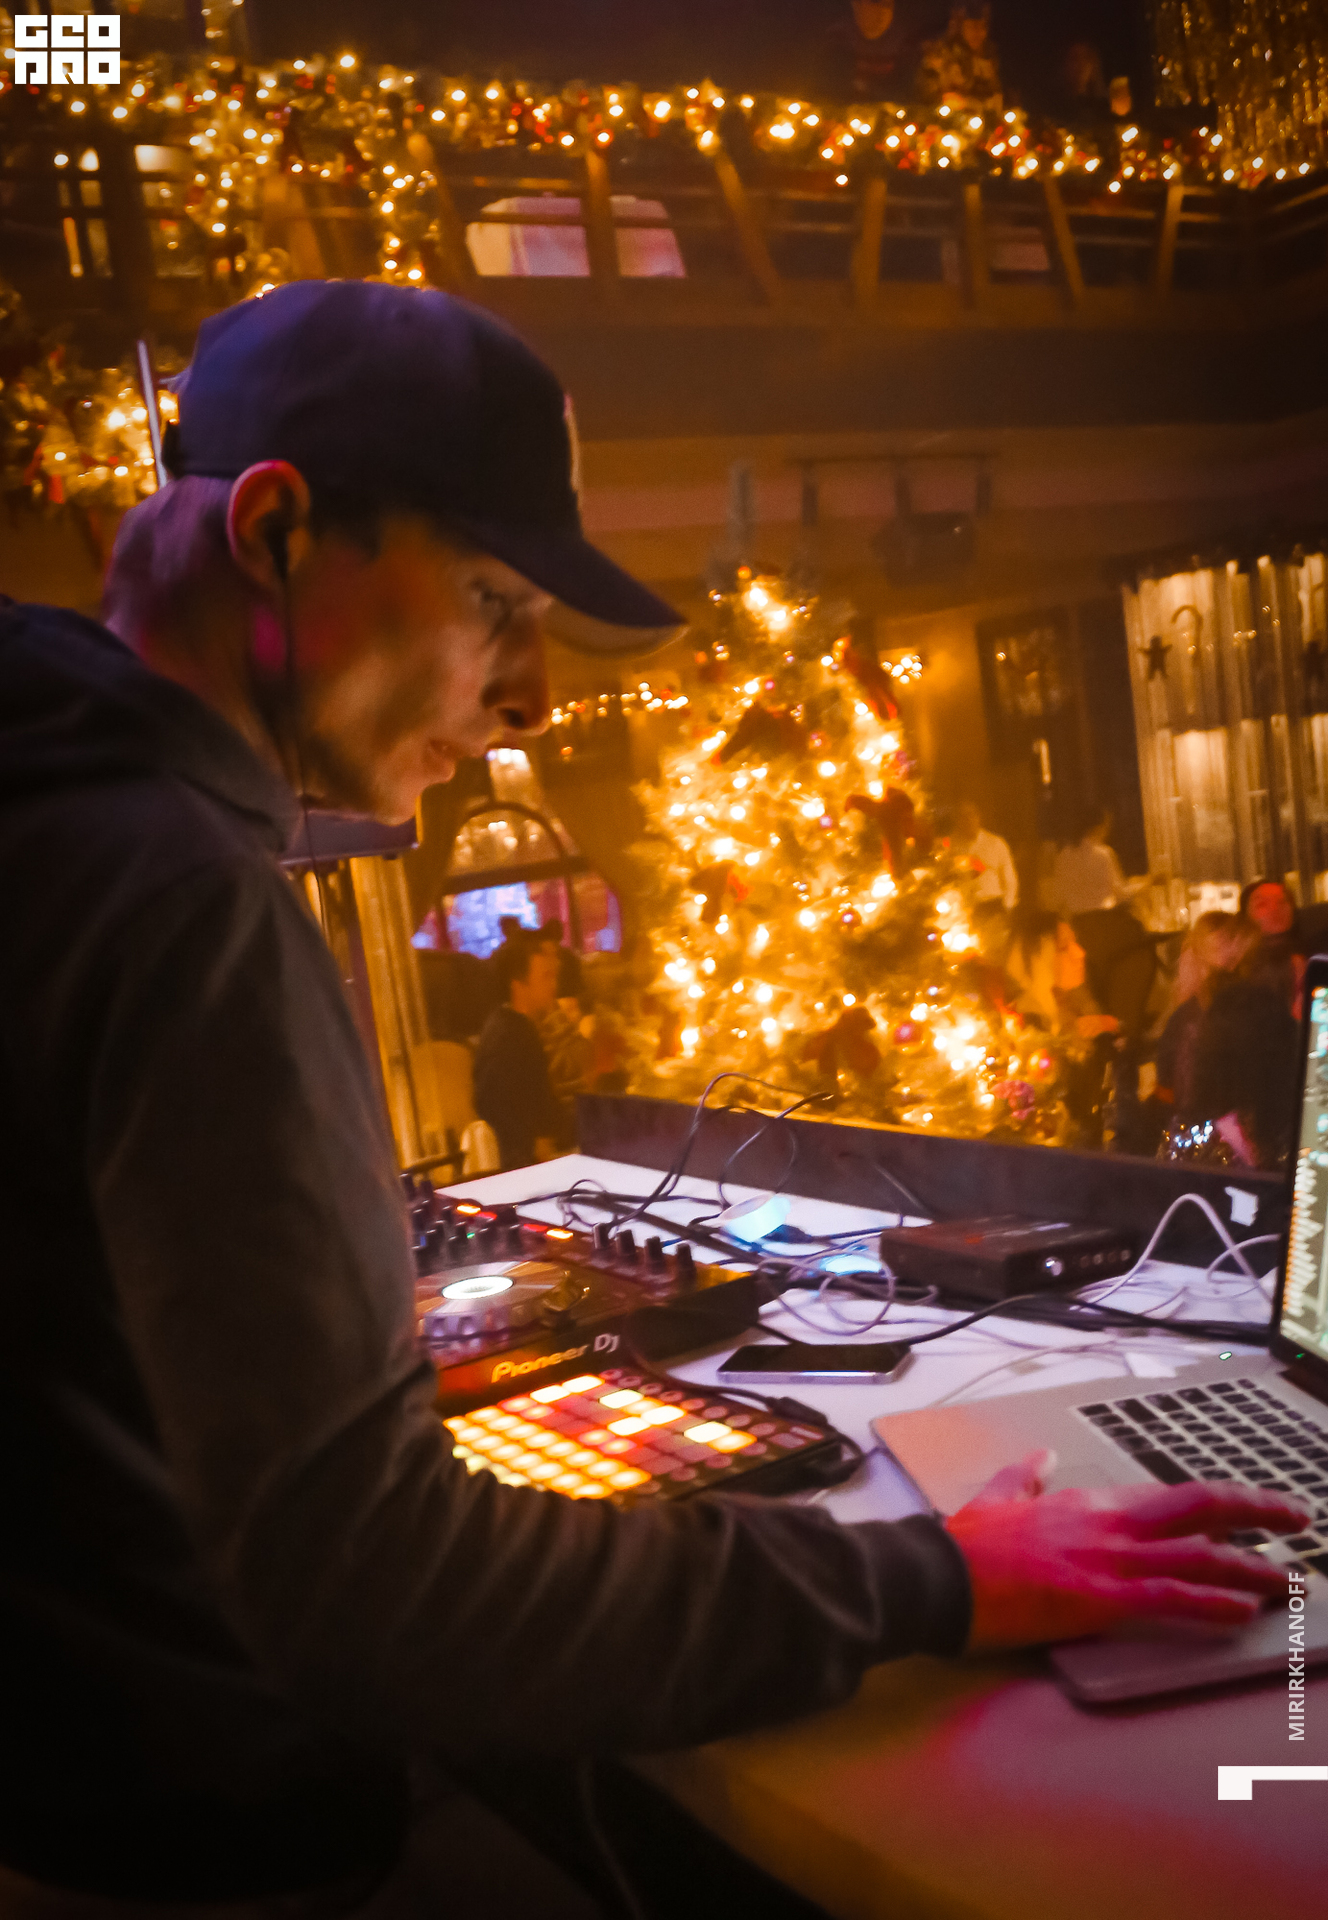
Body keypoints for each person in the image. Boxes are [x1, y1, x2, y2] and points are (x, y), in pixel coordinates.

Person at [0, 279, 1304, 1916]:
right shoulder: (183, 899)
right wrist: (931, 1577)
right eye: (493, 600)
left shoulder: (52, 801)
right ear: (273, 531)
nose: (534, 695)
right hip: (232, 1857)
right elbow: (382, 1583)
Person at [473, 932, 571, 1169]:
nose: (554, 986)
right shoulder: (511, 1035)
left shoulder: (509, 1024)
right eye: (546, 977)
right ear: (518, 985)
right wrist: (536, 1141)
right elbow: (492, 1103)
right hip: (526, 1160)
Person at [1049, 803, 1148, 918]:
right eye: (1106, 826)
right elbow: (1121, 894)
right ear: (1098, 827)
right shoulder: (1103, 854)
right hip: (1103, 919)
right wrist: (1147, 883)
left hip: (1078, 922)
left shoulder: (1063, 855)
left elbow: (1059, 896)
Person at [823, 0, 924, 101]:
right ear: (856, 5)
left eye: (888, 4)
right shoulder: (839, 38)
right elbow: (832, 89)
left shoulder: (905, 42)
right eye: (875, 2)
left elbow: (905, 92)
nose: (884, 11)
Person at [917, 1, 1004, 112]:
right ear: (961, 29)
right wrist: (945, 99)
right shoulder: (942, 52)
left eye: (981, 27)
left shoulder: (989, 56)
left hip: (977, 117)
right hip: (945, 115)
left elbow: (994, 92)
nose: (976, 33)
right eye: (970, 27)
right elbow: (926, 91)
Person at [953, 799, 1018, 910]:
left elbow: (1009, 879)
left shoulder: (995, 843)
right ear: (958, 820)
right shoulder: (953, 847)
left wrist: (1007, 906)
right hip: (966, 908)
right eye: (963, 816)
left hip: (993, 904)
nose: (968, 820)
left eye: (971, 815)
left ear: (978, 817)